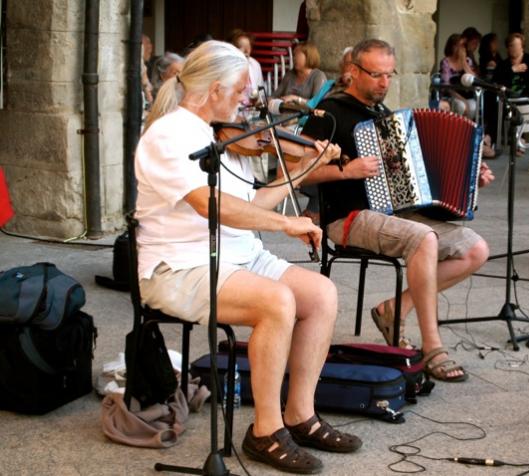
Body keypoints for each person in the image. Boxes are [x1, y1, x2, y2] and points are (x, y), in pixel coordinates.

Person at [136, 40, 361, 474]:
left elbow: (254, 201)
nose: (247, 98)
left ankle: (300, 415)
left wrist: (303, 170)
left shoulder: (218, 133)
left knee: (320, 294)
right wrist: (288, 225)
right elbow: (210, 204)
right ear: (212, 87)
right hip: (181, 265)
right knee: (276, 301)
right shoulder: (168, 135)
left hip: (239, 257)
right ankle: (265, 430)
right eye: (240, 88)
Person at [302, 39, 495, 382]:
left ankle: (394, 308)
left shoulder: (386, 117)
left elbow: (413, 183)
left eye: (389, 75)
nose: (384, 83)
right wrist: (348, 170)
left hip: (394, 213)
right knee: (424, 239)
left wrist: (467, 178)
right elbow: (297, 172)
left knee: (476, 250)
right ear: (353, 71)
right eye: (376, 74)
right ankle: (432, 344)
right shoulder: (329, 113)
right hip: (346, 216)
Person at [493, 32, 529, 100]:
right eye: (511, 46)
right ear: (507, 48)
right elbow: (495, 83)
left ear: (522, 47)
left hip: (528, 101)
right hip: (507, 101)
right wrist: (512, 70)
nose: (514, 48)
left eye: (517, 45)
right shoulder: (502, 65)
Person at [439, 33, 477, 119]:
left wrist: (463, 63)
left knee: (473, 106)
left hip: (466, 94)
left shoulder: (468, 61)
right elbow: (447, 86)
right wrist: (463, 100)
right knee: (461, 106)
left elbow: (474, 80)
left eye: (463, 46)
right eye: (459, 46)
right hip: (451, 95)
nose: (461, 48)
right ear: (452, 47)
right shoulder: (446, 62)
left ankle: (466, 130)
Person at [228, 29, 265, 105]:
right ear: (232, 48)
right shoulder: (226, 66)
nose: (247, 52)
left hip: (252, 112)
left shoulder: (255, 65)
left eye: (248, 47)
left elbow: (261, 93)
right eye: (242, 47)